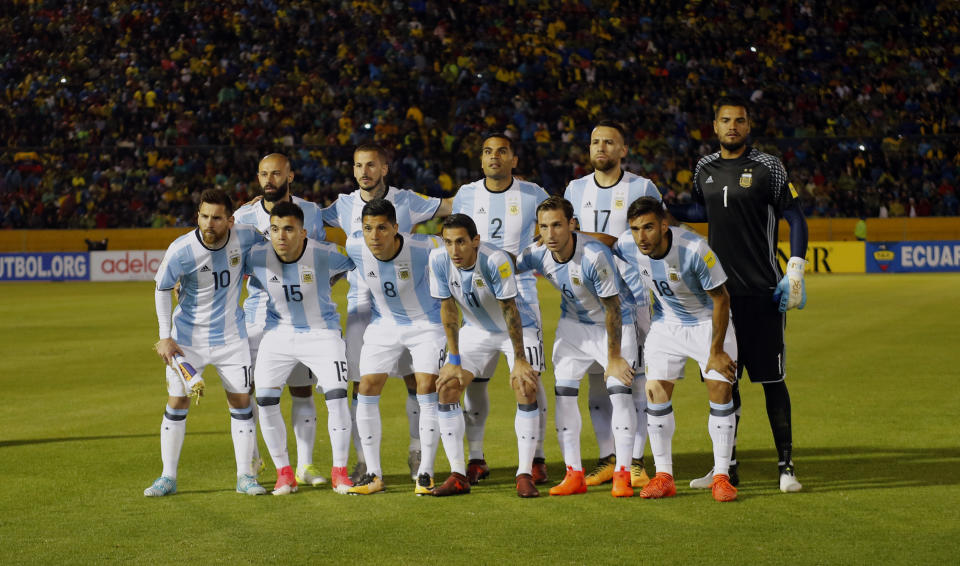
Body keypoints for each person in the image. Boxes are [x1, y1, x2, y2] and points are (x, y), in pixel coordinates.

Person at [673, 96, 808, 493]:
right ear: (714, 126)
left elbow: (795, 217)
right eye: (726, 121)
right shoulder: (704, 168)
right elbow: (705, 212)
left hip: (762, 292)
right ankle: (725, 468)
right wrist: (668, 209)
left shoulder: (769, 166)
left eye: (740, 121)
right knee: (723, 384)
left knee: (771, 381)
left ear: (748, 127)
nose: (733, 126)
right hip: (717, 297)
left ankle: (786, 467)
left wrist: (795, 268)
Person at [321, 143, 451, 483]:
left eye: (371, 165)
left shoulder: (406, 200)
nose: (365, 171)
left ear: (384, 168)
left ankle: (417, 450)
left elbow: (450, 208)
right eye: (359, 165)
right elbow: (306, 218)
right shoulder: (343, 205)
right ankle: (364, 462)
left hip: (410, 300)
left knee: (416, 380)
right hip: (363, 304)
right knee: (360, 384)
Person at [611, 197, 739, 502]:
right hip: (666, 325)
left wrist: (717, 350)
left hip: (707, 322)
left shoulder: (694, 250)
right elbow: (608, 243)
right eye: (635, 229)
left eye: (649, 228)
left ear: (664, 225)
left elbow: (721, 298)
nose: (642, 236)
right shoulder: (629, 246)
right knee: (655, 393)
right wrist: (576, 237)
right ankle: (664, 476)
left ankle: (722, 476)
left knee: (720, 392)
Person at [145, 188, 267, 497]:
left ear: (230, 219)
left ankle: (245, 477)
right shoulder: (181, 249)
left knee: (241, 402)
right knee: (177, 403)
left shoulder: (246, 235)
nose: (208, 224)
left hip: (231, 339)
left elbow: (274, 235)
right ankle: (167, 478)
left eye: (216, 218)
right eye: (203, 216)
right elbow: (162, 288)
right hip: (187, 341)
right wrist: (164, 336)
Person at [516, 196, 639, 498]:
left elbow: (614, 308)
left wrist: (613, 358)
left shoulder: (594, 255)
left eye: (557, 225)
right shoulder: (536, 253)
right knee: (565, 395)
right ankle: (574, 474)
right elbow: (504, 265)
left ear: (572, 225)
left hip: (615, 324)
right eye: (544, 227)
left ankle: (622, 474)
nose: (551, 233)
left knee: (620, 395)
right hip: (573, 326)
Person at [563, 120, 661, 489]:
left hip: (631, 298)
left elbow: (648, 236)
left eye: (609, 142)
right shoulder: (575, 188)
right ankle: (608, 459)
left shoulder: (641, 187)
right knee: (597, 384)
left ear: (623, 150)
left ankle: (634, 461)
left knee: (634, 382)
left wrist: (591, 238)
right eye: (595, 142)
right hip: (586, 302)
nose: (601, 147)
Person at [451, 133, 551, 485]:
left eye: (502, 151)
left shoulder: (533, 194)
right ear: (481, 160)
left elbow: (551, 228)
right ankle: (475, 458)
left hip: (520, 295)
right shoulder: (466, 194)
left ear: (514, 159)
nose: (495, 157)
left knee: (529, 380)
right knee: (475, 381)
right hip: (477, 300)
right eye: (488, 152)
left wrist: (529, 254)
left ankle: (536, 459)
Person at [428, 214, 544, 497]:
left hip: (517, 329)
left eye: (461, 242)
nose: (454, 250)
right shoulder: (439, 260)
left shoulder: (495, 260)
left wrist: (519, 359)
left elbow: (510, 310)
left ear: (475, 241)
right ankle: (458, 474)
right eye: (448, 243)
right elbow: (448, 309)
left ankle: (525, 473)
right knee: (446, 386)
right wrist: (453, 359)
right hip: (477, 329)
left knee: (525, 384)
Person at [243, 202, 355, 495]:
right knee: (266, 400)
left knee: (337, 397)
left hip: (322, 333)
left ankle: (340, 472)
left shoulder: (326, 253)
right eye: (275, 229)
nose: (280, 236)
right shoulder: (256, 255)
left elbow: (364, 262)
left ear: (303, 232)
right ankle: (284, 474)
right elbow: (221, 266)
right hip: (278, 334)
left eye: (289, 229)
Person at [234, 153, 330, 487]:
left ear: (290, 176)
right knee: (253, 388)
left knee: (302, 388)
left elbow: (324, 260)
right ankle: (258, 458)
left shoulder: (312, 212)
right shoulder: (243, 215)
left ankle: (305, 466)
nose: (269, 179)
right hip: (258, 316)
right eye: (263, 174)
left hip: (301, 316)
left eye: (276, 173)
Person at [343, 199, 450, 496]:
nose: (374, 236)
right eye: (367, 229)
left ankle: (425, 473)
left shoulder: (426, 247)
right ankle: (374, 475)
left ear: (395, 228)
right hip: (384, 324)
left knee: (426, 386)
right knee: (366, 388)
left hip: (426, 324)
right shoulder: (355, 247)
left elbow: (458, 246)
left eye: (381, 228)